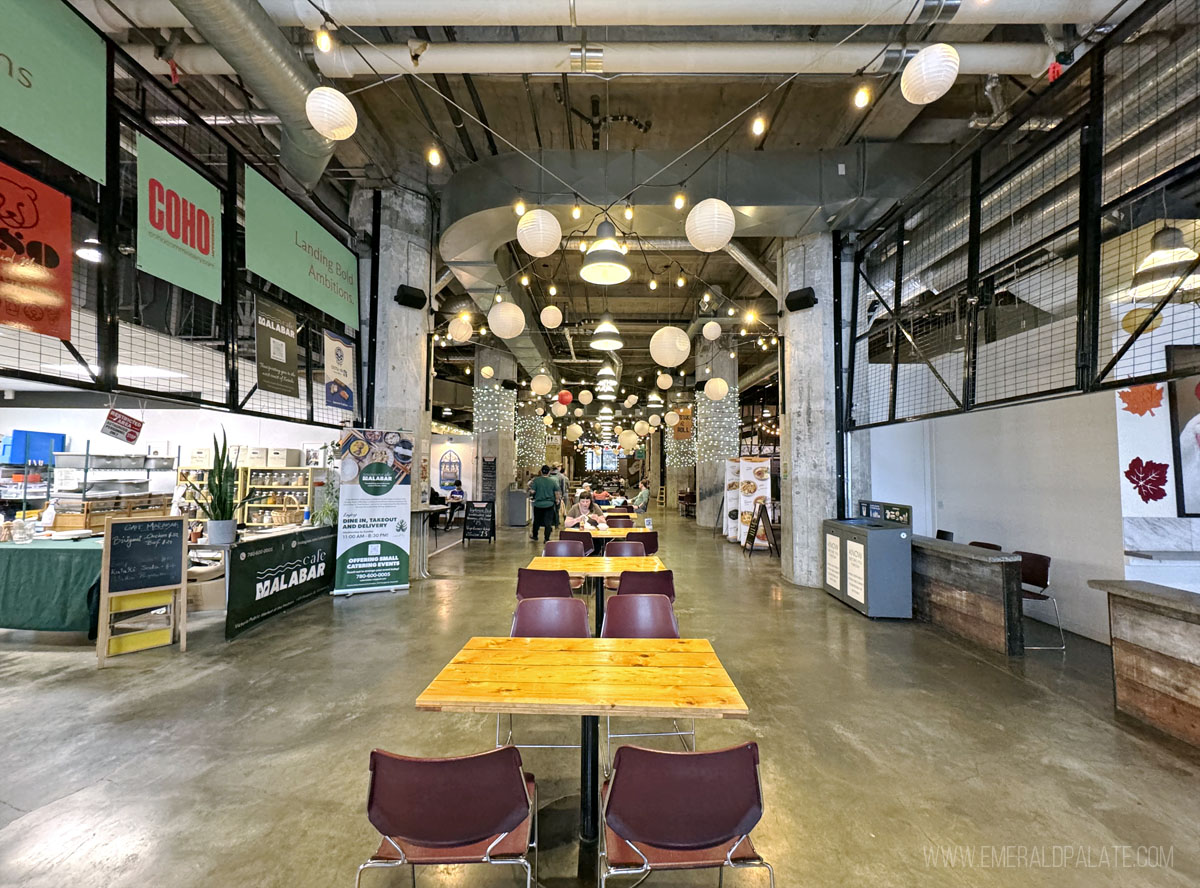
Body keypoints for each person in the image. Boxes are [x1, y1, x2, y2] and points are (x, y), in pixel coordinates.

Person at [527, 465, 559, 542]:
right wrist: (557, 500)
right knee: (548, 522)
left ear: (541, 471)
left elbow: (532, 491)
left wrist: (529, 490)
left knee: (536, 521)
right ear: (549, 472)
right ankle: (546, 538)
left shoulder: (536, 480)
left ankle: (535, 536)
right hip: (549, 504)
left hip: (538, 504)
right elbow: (556, 492)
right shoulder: (552, 481)